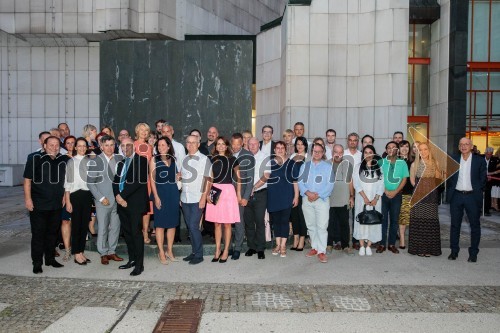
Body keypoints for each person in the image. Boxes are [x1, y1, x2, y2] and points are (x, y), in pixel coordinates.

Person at [24, 136, 66, 274]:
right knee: (38, 234)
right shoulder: (34, 158)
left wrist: (65, 196)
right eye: (51, 145)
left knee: (52, 234)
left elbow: (65, 182)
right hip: (38, 204)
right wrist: (28, 199)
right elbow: (27, 181)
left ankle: (50, 259)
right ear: (44, 145)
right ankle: (37, 262)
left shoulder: (61, 160)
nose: (54, 147)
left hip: (56, 204)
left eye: (57, 145)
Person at [113, 137, 149, 276]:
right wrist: (117, 196)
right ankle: (132, 260)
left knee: (136, 233)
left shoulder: (142, 160)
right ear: (120, 147)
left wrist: (122, 196)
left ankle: (139, 265)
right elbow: (115, 182)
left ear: (133, 146)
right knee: (127, 234)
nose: (125, 147)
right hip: (122, 203)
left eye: (128, 145)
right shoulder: (121, 163)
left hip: (134, 204)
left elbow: (138, 181)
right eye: (123, 145)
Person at [447, 137, 486, 262]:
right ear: (459, 147)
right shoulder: (453, 159)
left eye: (466, 144)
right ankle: (454, 251)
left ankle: (473, 253)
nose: (464, 146)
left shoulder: (479, 160)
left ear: (471, 146)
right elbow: (449, 177)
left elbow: (483, 179)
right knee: (454, 225)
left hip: (472, 197)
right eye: (461, 144)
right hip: (456, 196)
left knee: (474, 225)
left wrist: (477, 191)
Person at [87, 135, 124, 265]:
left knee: (115, 227)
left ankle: (111, 251)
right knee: (102, 228)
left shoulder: (119, 160)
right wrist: (101, 198)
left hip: (117, 200)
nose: (109, 148)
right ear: (101, 146)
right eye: (106, 145)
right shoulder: (96, 161)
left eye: (112, 145)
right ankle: (103, 252)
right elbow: (90, 183)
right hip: (103, 200)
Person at [206, 137, 241, 263]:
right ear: (215, 146)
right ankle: (217, 249)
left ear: (227, 146)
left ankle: (226, 250)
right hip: (215, 190)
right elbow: (209, 178)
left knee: (227, 224)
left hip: (228, 192)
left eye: (223, 144)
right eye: (218, 144)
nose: (220, 146)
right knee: (216, 223)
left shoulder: (232, 159)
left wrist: (238, 194)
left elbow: (239, 178)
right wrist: (207, 194)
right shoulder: (211, 159)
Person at [298, 143, 334, 263]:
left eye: (319, 151)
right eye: (315, 151)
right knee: (311, 225)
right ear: (311, 152)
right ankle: (314, 247)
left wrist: (316, 195)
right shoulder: (305, 166)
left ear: (323, 153)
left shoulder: (328, 167)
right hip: (307, 199)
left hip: (322, 200)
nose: (317, 153)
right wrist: (308, 193)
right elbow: (300, 182)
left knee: (322, 226)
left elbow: (330, 185)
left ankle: (322, 251)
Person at [180, 135, 211, 265]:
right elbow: (183, 178)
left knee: (193, 226)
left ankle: (199, 254)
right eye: (189, 142)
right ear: (186, 144)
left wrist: (203, 197)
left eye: (194, 142)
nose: (191, 145)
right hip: (185, 198)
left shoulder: (204, 159)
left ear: (199, 144)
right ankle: (193, 252)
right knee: (190, 227)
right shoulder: (184, 159)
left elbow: (208, 179)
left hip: (197, 198)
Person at [408, 142, 442, 257]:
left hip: (431, 196)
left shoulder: (435, 163)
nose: (423, 151)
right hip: (418, 196)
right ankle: (419, 249)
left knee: (430, 222)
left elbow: (438, 179)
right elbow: (412, 181)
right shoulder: (414, 165)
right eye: (420, 150)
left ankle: (429, 249)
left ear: (429, 150)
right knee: (419, 222)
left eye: (425, 149)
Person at [150, 137, 180, 264]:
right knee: (160, 225)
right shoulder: (154, 159)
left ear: (168, 146)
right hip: (160, 193)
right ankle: (161, 252)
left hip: (173, 193)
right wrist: (156, 197)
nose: (161, 147)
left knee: (172, 224)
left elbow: (175, 176)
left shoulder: (173, 159)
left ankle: (170, 250)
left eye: (163, 145)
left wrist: (178, 176)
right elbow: (152, 180)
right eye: (159, 145)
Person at [64, 137, 93, 265]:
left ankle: (81, 251)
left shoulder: (90, 161)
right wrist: (68, 200)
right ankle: (76, 253)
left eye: (84, 146)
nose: (82, 148)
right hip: (75, 195)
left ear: (87, 147)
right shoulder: (71, 162)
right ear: (75, 147)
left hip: (87, 195)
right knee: (76, 225)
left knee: (84, 225)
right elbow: (68, 182)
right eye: (79, 146)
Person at [268, 141, 299, 258]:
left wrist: (296, 196)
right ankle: (277, 244)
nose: (280, 150)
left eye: (282, 148)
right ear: (274, 150)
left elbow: (295, 181)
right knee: (276, 222)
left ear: (285, 150)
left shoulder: (291, 163)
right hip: (273, 196)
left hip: (287, 196)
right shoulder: (270, 163)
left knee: (284, 221)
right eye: (278, 148)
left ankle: (283, 246)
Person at [353, 145, 384, 256]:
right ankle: (362, 246)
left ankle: (369, 245)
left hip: (376, 200)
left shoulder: (379, 168)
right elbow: (356, 184)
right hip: (362, 199)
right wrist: (365, 198)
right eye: (366, 152)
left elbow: (381, 185)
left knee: (374, 221)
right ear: (363, 154)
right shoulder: (358, 167)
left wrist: (375, 198)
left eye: (370, 152)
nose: (368, 154)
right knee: (361, 221)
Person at [378, 141, 408, 254]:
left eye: (393, 147)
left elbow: (404, 179)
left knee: (394, 220)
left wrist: (395, 191)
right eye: (389, 148)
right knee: (383, 220)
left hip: (397, 195)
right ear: (386, 150)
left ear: (397, 150)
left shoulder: (402, 163)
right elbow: (378, 177)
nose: (391, 149)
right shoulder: (381, 162)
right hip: (383, 195)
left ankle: (391, 244)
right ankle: (382, 244)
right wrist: (385, 190)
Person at [244, 137, 271, 259]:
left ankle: (260, 248)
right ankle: (252, 247)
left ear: (258, 145)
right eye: (250, 144)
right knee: (249, 222)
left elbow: (266, 176)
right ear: (248, 145)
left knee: (259, 222)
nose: (253, 146)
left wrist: (253, 188)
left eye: (255, 144)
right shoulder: (245, 157)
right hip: (246, 195)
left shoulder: (265, 156)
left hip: (260, 193)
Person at [230, 133, 255, 260]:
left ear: (242, 143)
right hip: (227, 193)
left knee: (239, 222)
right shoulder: (228, 154)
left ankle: (237, 248)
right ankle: (228, 246)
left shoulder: (248, 155)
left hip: (241, 194)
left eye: (237, 144)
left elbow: (250, 179)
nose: (235, 147)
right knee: (227, 221)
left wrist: (245, 197)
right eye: (233, 144)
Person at [327, 144, 354, 255]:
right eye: (335, 152)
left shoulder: (347, 164)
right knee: (329, 223)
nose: (337, 154)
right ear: (332, 152)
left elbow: (350, 181)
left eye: (340, 152)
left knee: (344, 223)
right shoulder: (326, 164)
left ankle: (345, 246)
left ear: (343, 153)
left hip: (343, 198)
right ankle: (329, 244)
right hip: (329, 199)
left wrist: (352, 196)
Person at [133, 122, 154, 244]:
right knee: (137, 208)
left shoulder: (149, 147)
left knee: (146, 209)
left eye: (146, 130)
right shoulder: (132, 145)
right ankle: (137, 232)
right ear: (137, 131)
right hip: (136, 181)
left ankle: (145, 232)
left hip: (147, 181)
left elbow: (150, 165)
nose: (144, 132)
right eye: (141, 130)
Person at [290, 136, 308, 250]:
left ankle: (302, 239)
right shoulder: (292, 157)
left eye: (301, 144)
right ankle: (295, 238)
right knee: (294, 215)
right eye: (297, 144)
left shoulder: (308, 157)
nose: (299, 146)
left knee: (302, 216)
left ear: (305, 145)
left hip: (304, 191)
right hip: (292, 189)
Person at [344, 132, 362, 250]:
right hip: (344, 189)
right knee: (344, 216)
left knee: (357, 216)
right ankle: (343, 240)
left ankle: (356, 240)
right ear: (347, 141)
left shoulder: (361, 155)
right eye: (350, 140)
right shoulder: (343, 154)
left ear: (358, 142)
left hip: (359, 189)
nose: (352, 142)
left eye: (355, 140)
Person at [60, 135, 77, 261]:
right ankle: (67, 249)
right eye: (68, 143)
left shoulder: (83, 157)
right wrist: (64, 196)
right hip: (65, 193)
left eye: (73, 143)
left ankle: (78, 249)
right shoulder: (61, 159)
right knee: (65, 221)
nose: (70, 145)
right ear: (65, 145)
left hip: (79, 194)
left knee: (78, 222)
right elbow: (61, 179)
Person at [397, 140, 414, 249]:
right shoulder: (395, 161)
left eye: (407, 146)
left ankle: (406, 239)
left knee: (407, 217)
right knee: (401, 217)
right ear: (398, 149)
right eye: (402, 146)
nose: (404, 148)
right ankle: (402, 240)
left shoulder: (413, 161)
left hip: (410, 193)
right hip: (398, 193)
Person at [483, 147, 498, 216]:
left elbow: (494, 169)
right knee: (480, 195)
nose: (488, 156)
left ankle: (486, 210)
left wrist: (490, 174)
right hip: (481, 180)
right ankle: (480, 209)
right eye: (487, 154)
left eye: (490, 154)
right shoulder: (480, 159)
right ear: (485, 153)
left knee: (488, 195)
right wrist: (493, 173)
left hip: (489, 181)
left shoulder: (494, 160)